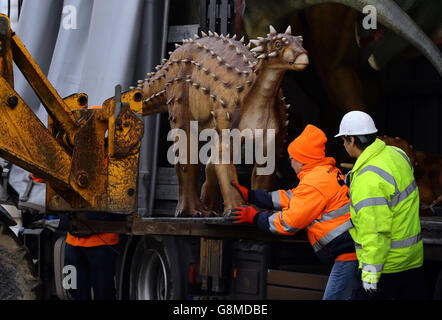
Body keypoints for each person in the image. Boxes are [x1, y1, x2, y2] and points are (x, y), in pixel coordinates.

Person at [230, 124, 358, 300]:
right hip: (354, 252)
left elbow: (288, 223)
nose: (290, 162)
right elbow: (291, 198)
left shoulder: (314, 184)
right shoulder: (324, 173)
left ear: (302, 160)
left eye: (292, 158)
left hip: (348, 256)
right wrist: (251, 195)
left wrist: (255, 217)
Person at [335, 110, 426, 300]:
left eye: (343, 140)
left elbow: (374, 233)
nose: (343, 145)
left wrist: (369, 277)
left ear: (351, 140)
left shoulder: (367, 180)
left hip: (387, 267)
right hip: (412, 261)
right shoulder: (396, 154)